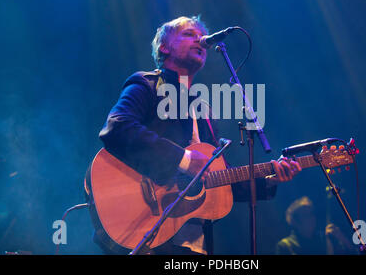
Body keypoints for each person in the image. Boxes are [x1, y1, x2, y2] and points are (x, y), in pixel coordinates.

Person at [85, 15, 302, 255]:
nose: (200, 40)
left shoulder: (205, 111)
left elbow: (218, 180)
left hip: (195, 244)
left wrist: (269, 178)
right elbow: (117, 127)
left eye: (201, 36)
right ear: (164, 47)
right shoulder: (147, 85)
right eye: (189, 34)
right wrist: (185, 160)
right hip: (150, 236)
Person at [275, 196, 355, 255]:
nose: (312, 218)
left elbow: (353, 252)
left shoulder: (324, 238)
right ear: (295, 221)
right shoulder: (285, 246)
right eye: (306, 215)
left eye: (312, 214)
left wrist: (341, 237)